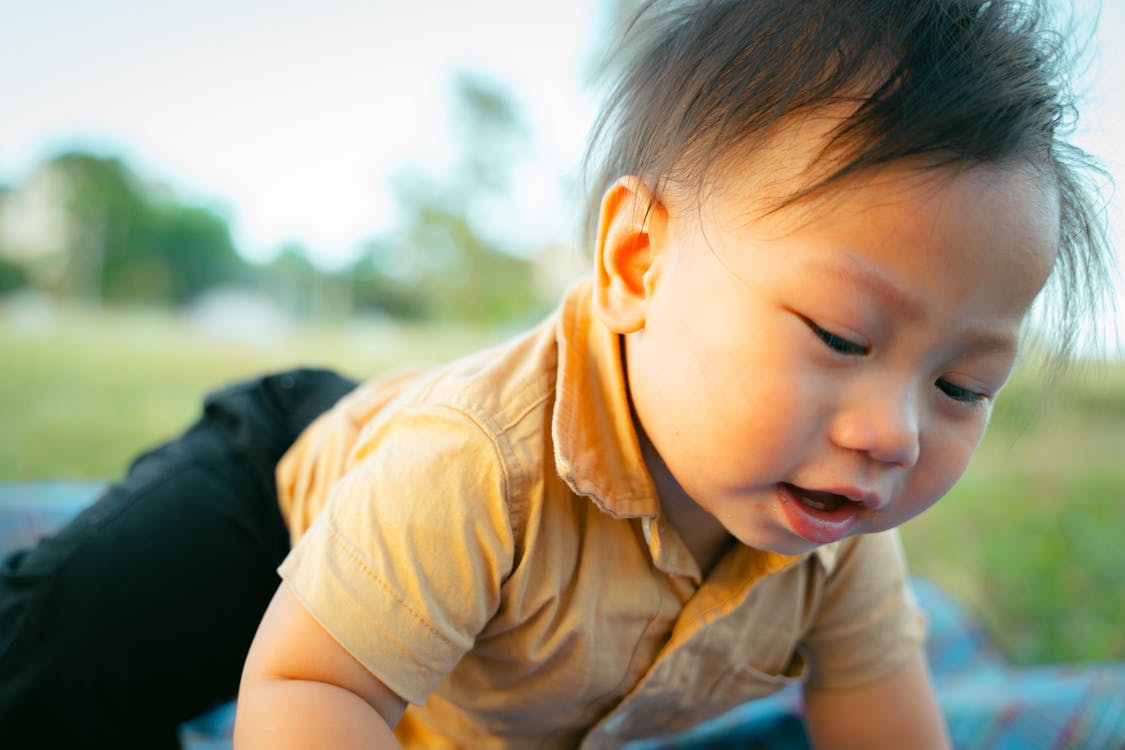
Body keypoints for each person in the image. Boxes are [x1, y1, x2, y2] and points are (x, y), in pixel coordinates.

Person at [0, 1, 1112, 748]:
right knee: (74, 654)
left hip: (431, 562)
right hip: (278, 486)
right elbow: (311, 690)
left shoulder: (840, 540)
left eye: (962, 387)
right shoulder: (476, 471)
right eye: (839, 334)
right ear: (637, 262)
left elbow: (883, 725)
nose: (894, 434)